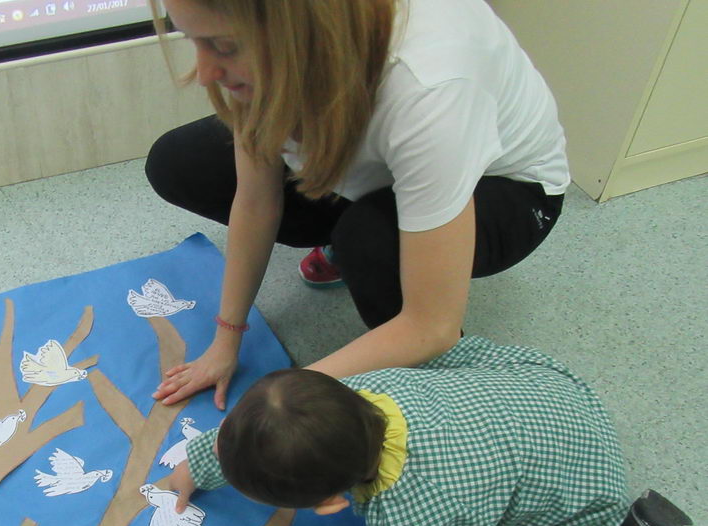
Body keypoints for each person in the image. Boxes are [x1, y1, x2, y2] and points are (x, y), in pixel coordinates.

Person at [146, 0, 570, 410]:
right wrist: (226, 340)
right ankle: (365, 234)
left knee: (367, 241)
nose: (203, 74)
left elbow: (432, 326)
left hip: (509, 189)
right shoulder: (275, 47)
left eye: (223, 46)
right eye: (194, 40)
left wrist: (279, 399)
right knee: (177, 163)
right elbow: (257, 200)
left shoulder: (429, 86)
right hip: (375, 154)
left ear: (296, 30)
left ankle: (379, 256)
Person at [163, 336, 690, 526]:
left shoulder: (423, 518)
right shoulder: (360, 390)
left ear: (328, 504)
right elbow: (261, 429)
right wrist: (199, 461)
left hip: (582, 496)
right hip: (549, 399)